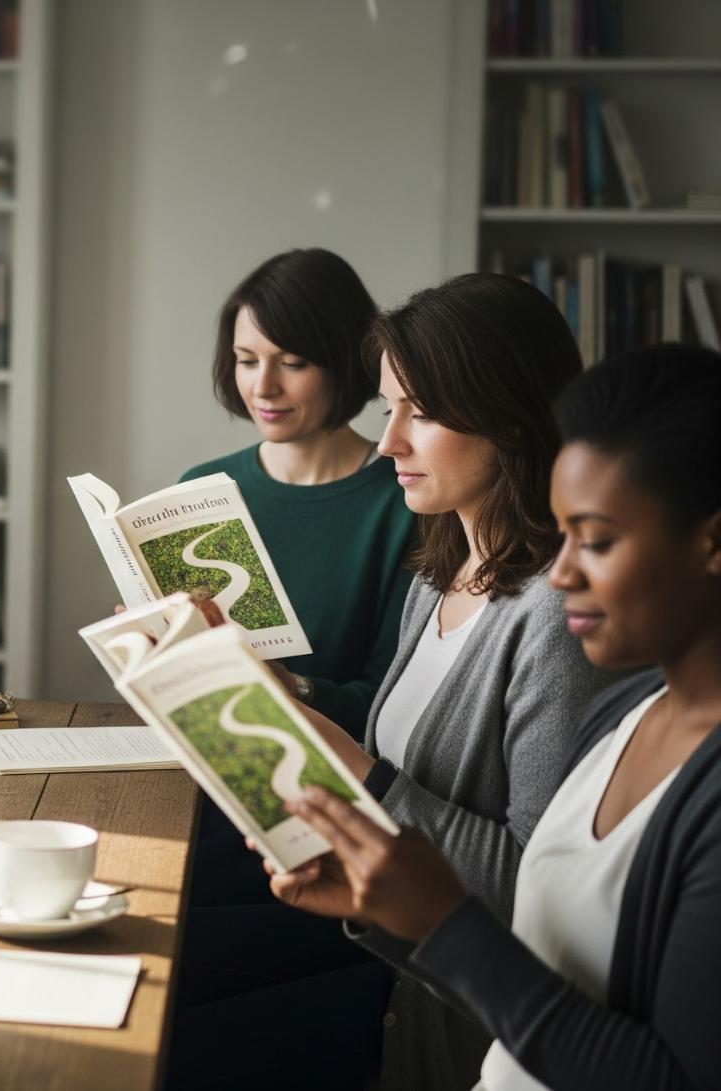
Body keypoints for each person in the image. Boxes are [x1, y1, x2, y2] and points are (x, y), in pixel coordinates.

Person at [171, 273, 618, 1088]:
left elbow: (536, 885)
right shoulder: (436, 574)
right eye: (388, 409)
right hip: (364, 933)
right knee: (147, 961)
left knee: (164, 1043)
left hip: (433, 1000)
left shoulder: (553, 618)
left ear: (510, 416)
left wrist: (357, 771)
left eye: (423, 413)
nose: (388, 443)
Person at [269, 343, 721, 1089]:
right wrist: (387, 906)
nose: (564, 571)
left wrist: (444, 921)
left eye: (597, 539)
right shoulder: (626, 713)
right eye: (564, 532)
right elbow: (536, 969)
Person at [181, 249, 413, 734]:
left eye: (292, 363)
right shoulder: (200, 491)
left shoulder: (405, 500)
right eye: (246, 361)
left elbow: (392, 701)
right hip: (199, 758)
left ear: (344, 363)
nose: (263, 387)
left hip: (333, 779)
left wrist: (293, 688)